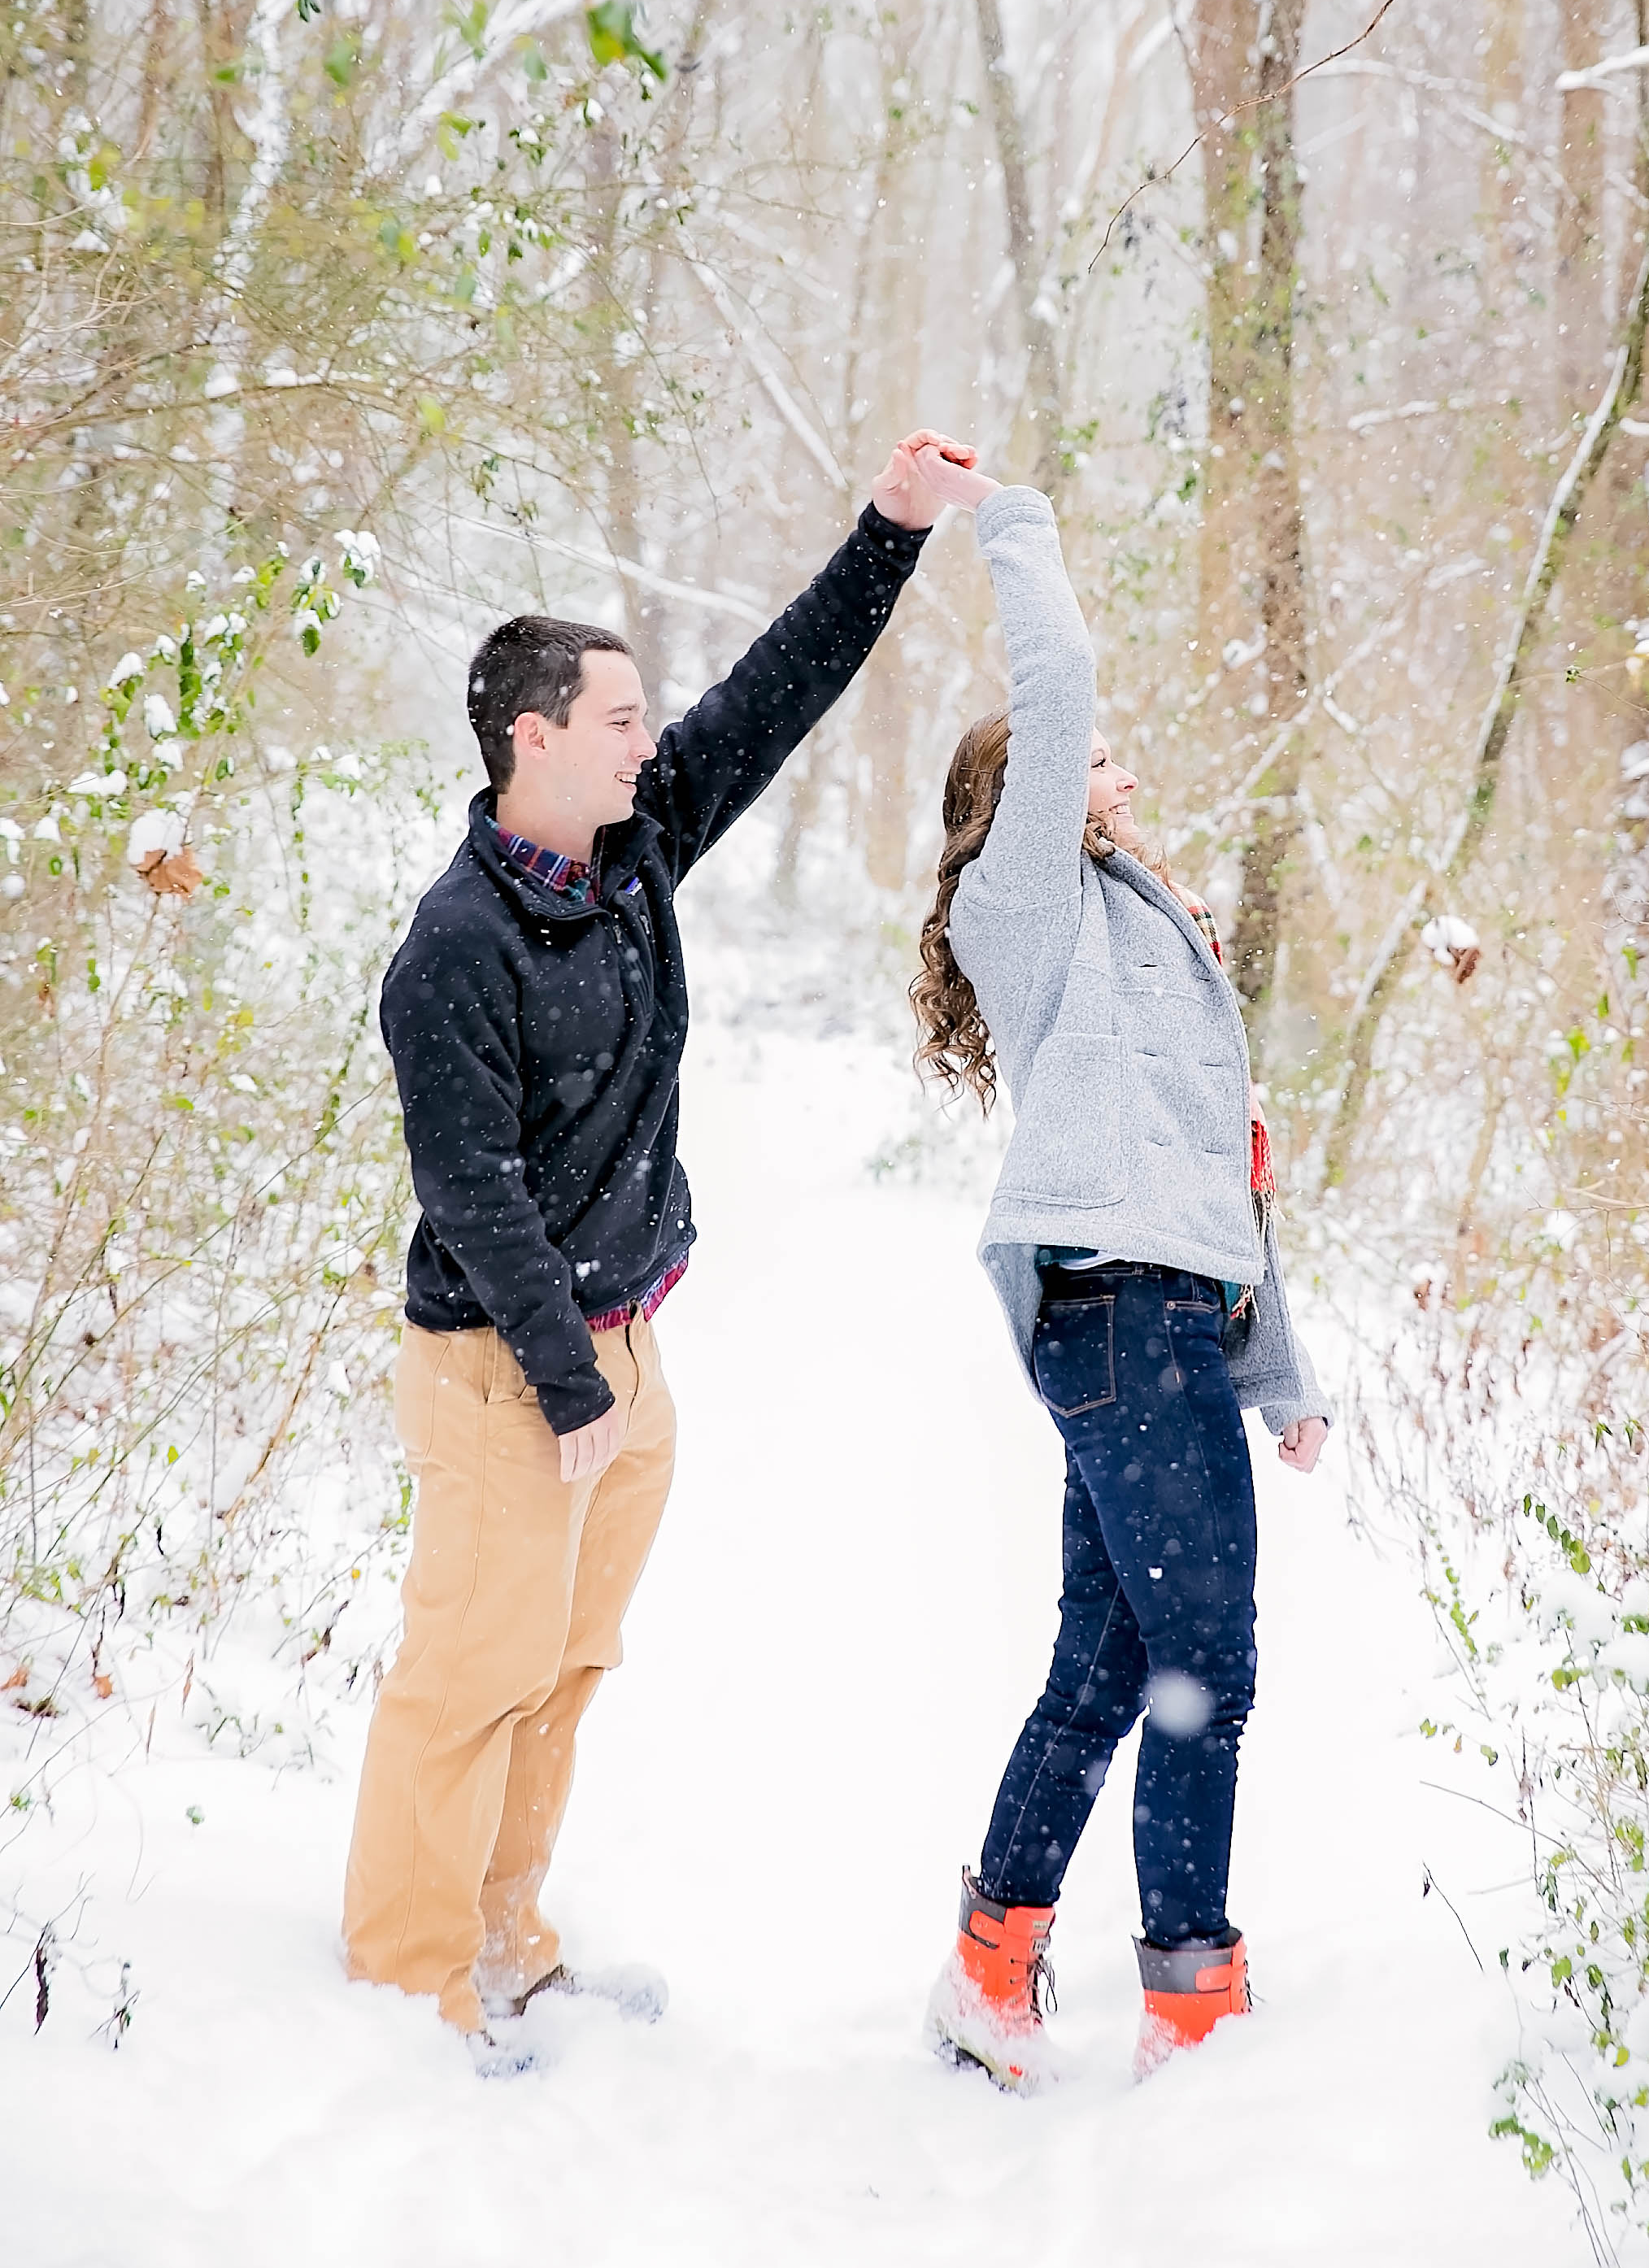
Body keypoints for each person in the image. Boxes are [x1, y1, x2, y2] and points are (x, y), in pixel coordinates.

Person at [343, 429, 966, 2063]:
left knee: (559, 1666)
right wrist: (566, 1383)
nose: (650, 740)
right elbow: (471, 1190)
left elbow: (775, 693)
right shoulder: (454, 948)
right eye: (620, 719)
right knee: (469, 1673)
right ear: (533, 737)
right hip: (503, 1370)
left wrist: (886, 533)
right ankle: (408, 1985)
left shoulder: (630, 854)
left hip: (619, 1353)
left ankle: (507, 1936)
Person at [907, 448, 1331, 2093]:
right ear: (1024, 795)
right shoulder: (1024, 914)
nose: (1111, 757)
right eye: (1077, 759)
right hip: (1107, 1305)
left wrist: (1276, 1368)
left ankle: (988, 1969)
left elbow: (1228, 1173)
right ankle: (1191, 2006)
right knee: (1199, 1668)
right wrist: (1007, 513)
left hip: (1159, 1310)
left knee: (1106, 1662)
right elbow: (1061, 672)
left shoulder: (1151, 937)